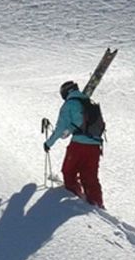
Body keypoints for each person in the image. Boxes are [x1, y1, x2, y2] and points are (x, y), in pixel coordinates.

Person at [44, 80, 105, 209]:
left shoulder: (69, 105)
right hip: (95, 146)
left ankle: (75, 197)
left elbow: (61, 129)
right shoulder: (88, 102)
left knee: (69, 171)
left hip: (78, 145)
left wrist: (48, 143)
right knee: (90, 176)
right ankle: (97, 204)